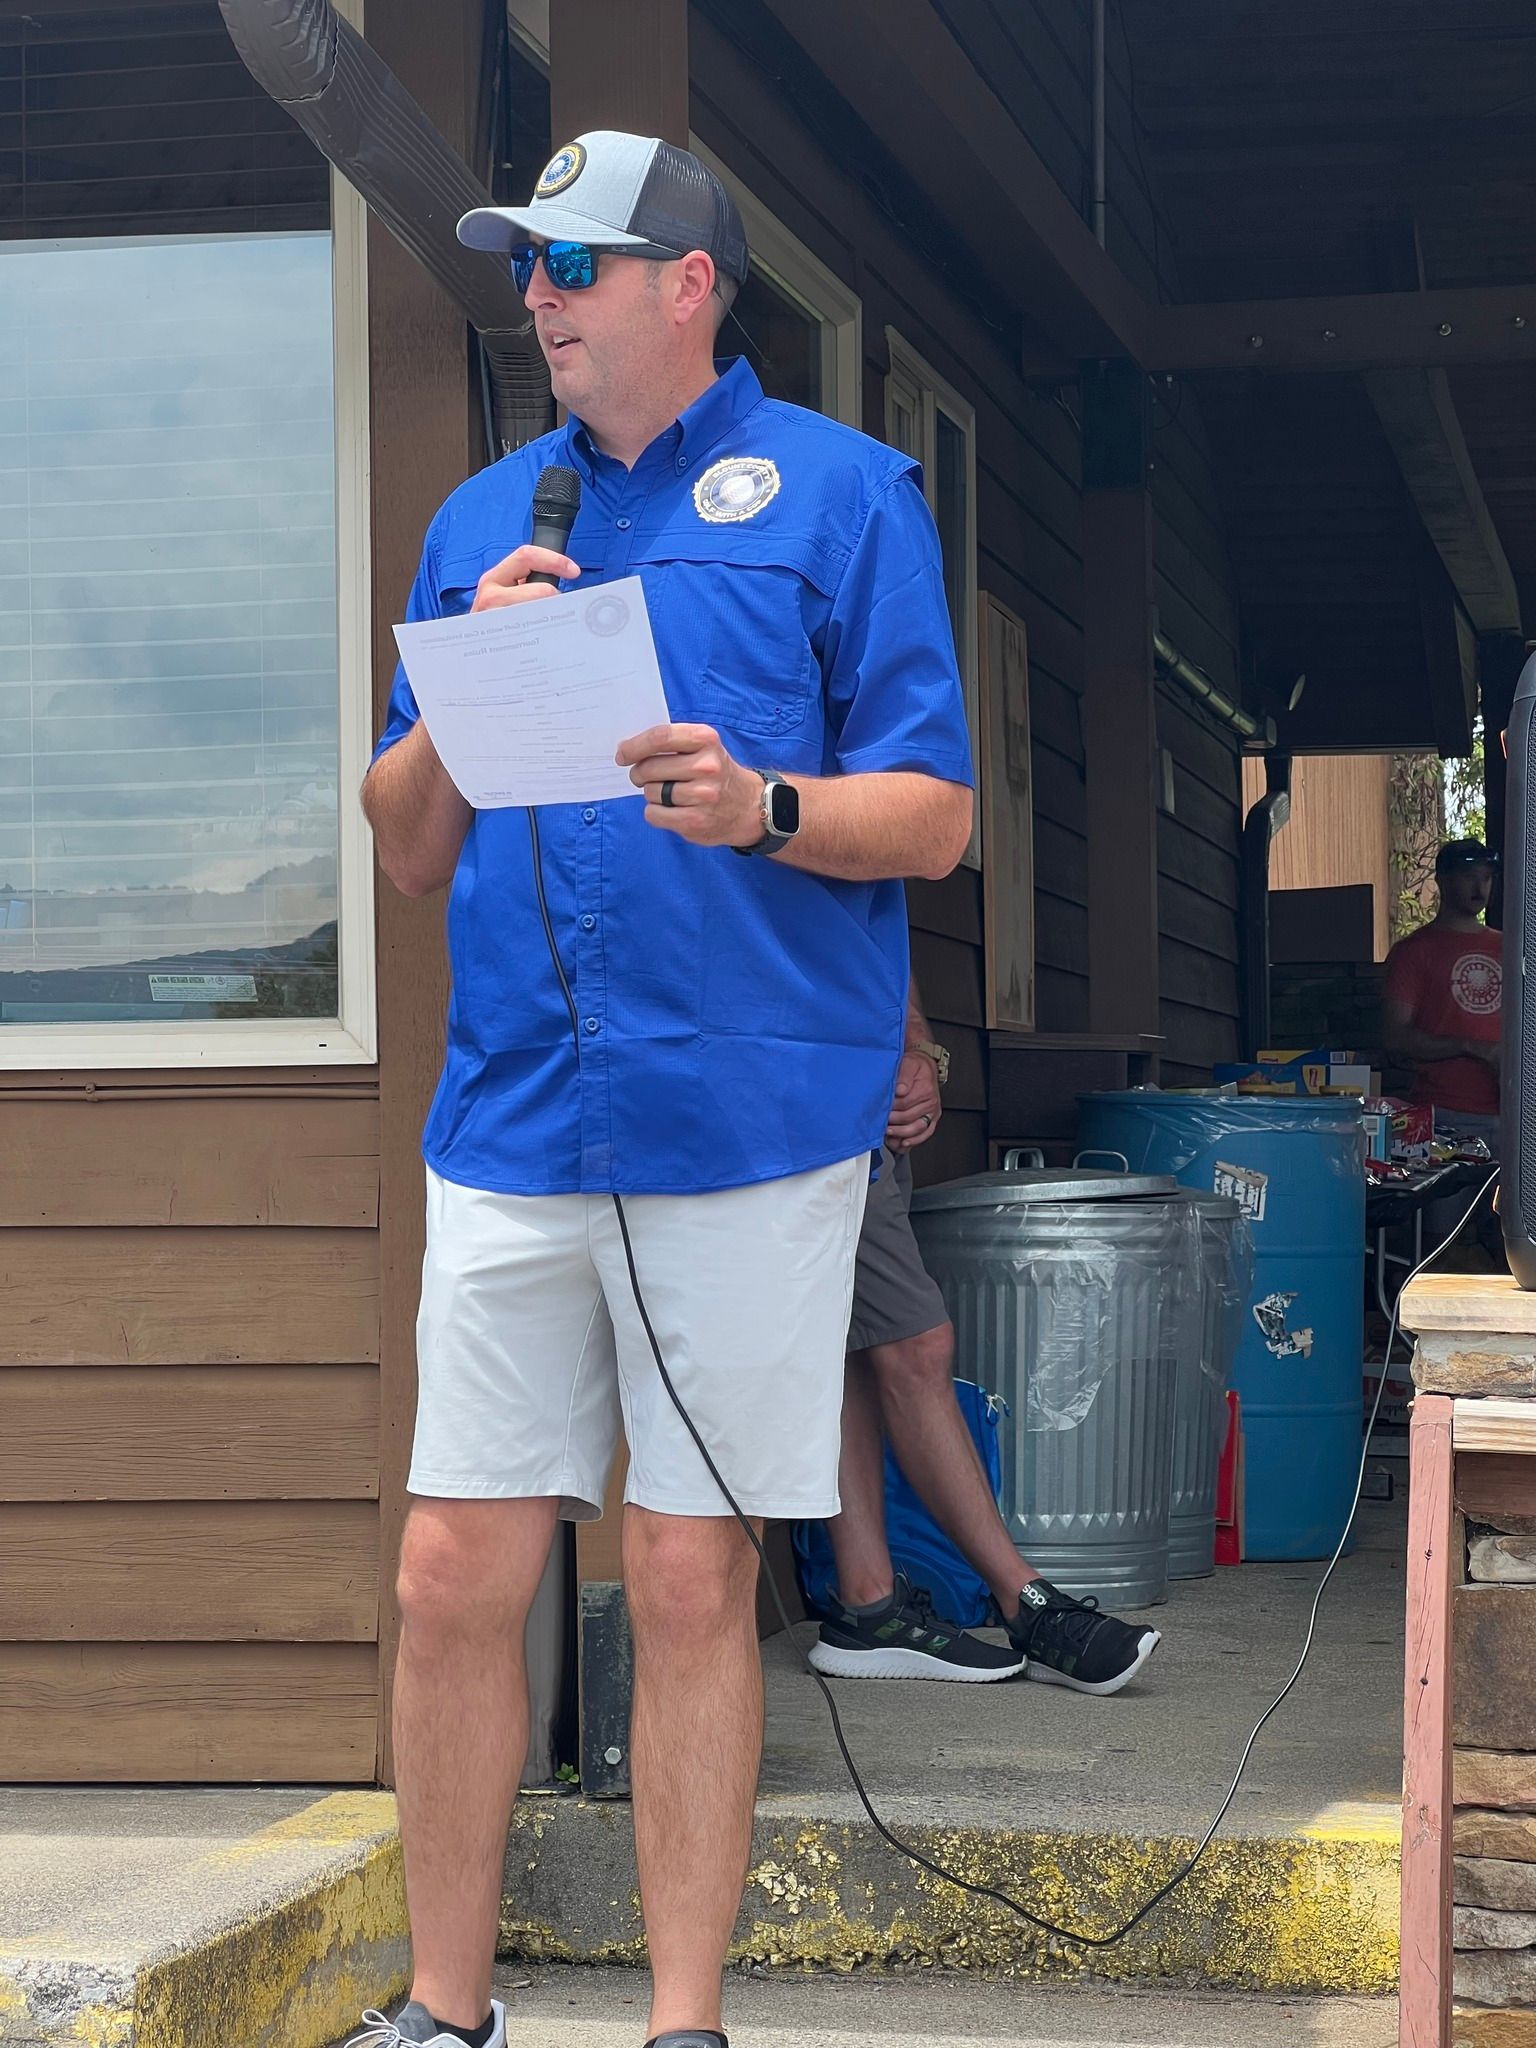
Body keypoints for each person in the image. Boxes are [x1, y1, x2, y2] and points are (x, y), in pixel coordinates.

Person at [355, 131, 974, 2048]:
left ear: (687, 283)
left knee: (693, 1573)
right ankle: (444, 2010)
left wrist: (763, 804)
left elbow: (935, 816)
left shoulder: (846, 495)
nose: (537, 297)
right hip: (518, 1114)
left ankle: (681, 2022)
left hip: (744, 1130)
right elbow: (403, 842)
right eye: (525, 266)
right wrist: (467, 690)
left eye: (573, 263)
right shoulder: (483, 518)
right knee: (453, 1565)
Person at [809, 980, 1162, 1694]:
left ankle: (867, 1603)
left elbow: (885, 944)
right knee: (917, 1344)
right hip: (809, 1109)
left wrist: (919, 1051)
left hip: (868, 1113)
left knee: (853, 1342)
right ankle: (1023, 1602)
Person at [1382, 838, 1502, 1152]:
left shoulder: (1510, 948)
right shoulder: (1414, 952)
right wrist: (1469, 1046)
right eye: (1469, 876)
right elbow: (1395, 1036)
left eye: (1486, 877)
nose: (1480, 887)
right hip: (1446, 1113)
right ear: (1443, 880)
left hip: (1515, 1111)